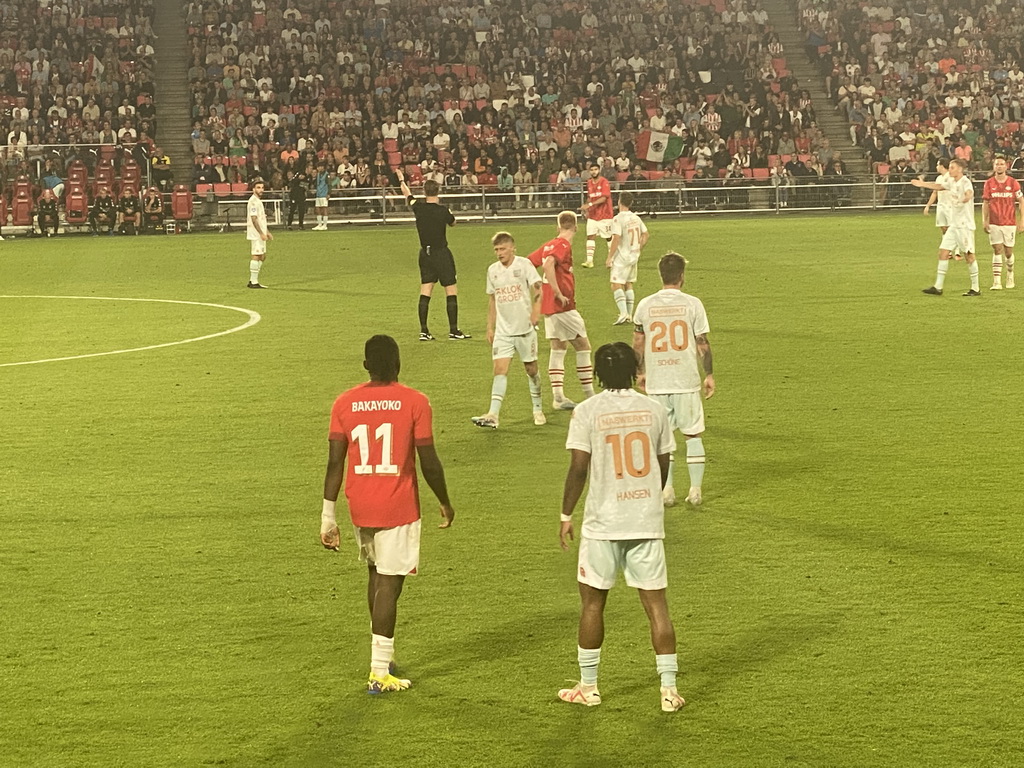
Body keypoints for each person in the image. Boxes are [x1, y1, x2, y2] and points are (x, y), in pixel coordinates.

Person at [320, 334, 455, 694]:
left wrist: (327, 517)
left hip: (360, 505)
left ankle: (383, 655)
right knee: (389, 582)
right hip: (398, 506)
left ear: (366, 365)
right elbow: (428, 459)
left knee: (375, 574)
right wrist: (443, 499)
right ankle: (379, 671)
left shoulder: (344, 402)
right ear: (398, 364)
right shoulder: (415, 402)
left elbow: (336, 462)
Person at [557, 341, 684, 713]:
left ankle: (589, 686)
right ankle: (669, 691)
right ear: (635, 368)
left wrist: (566, 514)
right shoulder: (655, 409)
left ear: (596, 374)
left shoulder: (586, 411)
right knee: (656, 605)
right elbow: (663, 464)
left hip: (603, 523)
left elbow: (579, 467)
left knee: (593, 603)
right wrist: (646, 499)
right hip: (645, 521)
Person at [632, 253, 714, 507]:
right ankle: (695, 490)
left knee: (662, 440)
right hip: (686, 380)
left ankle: (667, 492)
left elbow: (638, 342)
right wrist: (709, 374)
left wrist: (640, 371)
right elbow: (703, 343)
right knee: (694, 435)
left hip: (658, 381)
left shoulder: (645, 305)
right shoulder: (692, 304)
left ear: (661, 275)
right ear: (681, 276)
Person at [471, 231, 546, 429]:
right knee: (500, 370)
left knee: (531, 370)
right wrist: (490, 326)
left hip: (524, 330)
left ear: (512, 248)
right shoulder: (492, 270)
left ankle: (537, 408)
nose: (499, 253)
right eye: (496, 249)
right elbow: (493, 299)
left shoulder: (524, 265)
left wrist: (536, 313)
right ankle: (493, 415)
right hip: (504, 332)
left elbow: (538, 287)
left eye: (502, 249)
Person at [527, 211, 595, 410]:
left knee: (558, 347)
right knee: (583, 346)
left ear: (558, 227)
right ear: (576, 227)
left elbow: (529, 262)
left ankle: (558, 397)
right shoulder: (562, 245)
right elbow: (548, 264)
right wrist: (557, 292)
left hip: (550, 306)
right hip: (562, 305)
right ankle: (590, 396)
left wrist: (539, 288)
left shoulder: (549, 244)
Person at [396, 169, 470, 341]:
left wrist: (401, 179)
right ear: (438, 191)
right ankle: (453, 330)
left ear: (424, 192)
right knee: (450, 290)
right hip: (441, 254)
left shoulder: (418, 208)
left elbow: (407, 194)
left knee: (426, 291)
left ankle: (424, 331)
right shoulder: (442, 211)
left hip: (425, 254)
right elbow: (453, 223)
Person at [912, 158, 980, 296]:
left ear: (960, 169)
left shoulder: (965, 181)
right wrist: (923, 184)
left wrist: (966, 198)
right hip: (954, 225)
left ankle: (976, 288)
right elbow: (939, 186)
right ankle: (938, 287)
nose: (950, 169)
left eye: (952, 167)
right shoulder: (951, 181)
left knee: (969, 255)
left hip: (964, 225)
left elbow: (969, 192)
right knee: (943, 252)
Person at [606, 191, 649, 325]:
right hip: (634, 255)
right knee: (628, 284)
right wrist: (638, 248)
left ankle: (623, 313)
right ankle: (630, 315)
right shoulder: (636, 218)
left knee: (615, 284)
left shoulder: (618, 219)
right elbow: (646, 235)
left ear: (619, 201)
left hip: (622, 256)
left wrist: (609, 257)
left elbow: (616, 238)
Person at [982, 155, 1024, 290]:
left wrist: (1022, 220)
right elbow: (986, 202)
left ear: (1005, 166)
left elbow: (1021, 201)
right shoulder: (989, 183)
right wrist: (985, 220)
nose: (999, 166)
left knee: (1008, 252)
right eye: (997, 164)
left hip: (1009, 222)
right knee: (997, 249)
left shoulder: (1013, 183)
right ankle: (997, 282)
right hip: (994, 222)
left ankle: (1010, 272)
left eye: (1001, 164)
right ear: (994, 167)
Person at [581, 161, 614, 268]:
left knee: (608, 237)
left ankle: (611, 260)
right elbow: (590, 197)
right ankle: (589, 261)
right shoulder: (589, 183)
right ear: (589, 171)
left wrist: (590, 204)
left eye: (595, 169)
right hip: (593, 215)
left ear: (599, 170)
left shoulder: (604, 182)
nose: (594, 172)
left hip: (605, 215)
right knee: (590, 236)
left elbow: (604, 198)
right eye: (592, 170)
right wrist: (587, 208)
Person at [246, 178, 272, 288]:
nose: (261, 190)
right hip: (256, 233)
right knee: (256, 255)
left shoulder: (258, 201)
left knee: (263, 256)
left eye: (262, 188)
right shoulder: (253, 202)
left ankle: (253, 280)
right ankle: (253, 282)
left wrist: (267, 232)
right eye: (258, 188)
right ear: (253, 189)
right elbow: (254, 219)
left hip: (261, 233)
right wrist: (261, 233)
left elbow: (261, 219)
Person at [286, 165, 310, 230]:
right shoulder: (295, 180)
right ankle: (289, 225)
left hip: (301, 197)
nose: (302, 176)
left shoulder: (306, 179)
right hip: (294, 197)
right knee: (291, 211)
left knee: (301, 212)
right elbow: (291, 184)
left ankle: (301, 225)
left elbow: (307, 188)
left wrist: (306, 188)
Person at [313, 162, 331, 230]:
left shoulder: (327, 175)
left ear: (323, 167)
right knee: (318, 209)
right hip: (318, 194)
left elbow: (329, 185)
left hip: (324, 194)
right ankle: (319, 224)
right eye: (318, 167)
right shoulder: (318, 175)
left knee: (324, 208)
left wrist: (329, 193)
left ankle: (325, 225)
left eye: (320, 167)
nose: (319, 168)